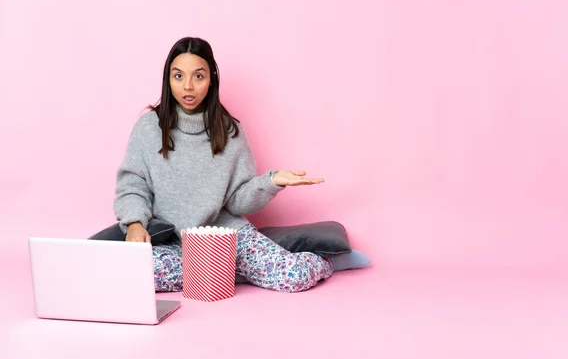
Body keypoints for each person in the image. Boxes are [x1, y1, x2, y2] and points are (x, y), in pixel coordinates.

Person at [92, 37, 370, 293]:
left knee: (293, 277)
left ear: (211, 79)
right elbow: (133, 185)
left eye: (198, 76)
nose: (188, 86)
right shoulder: (148, 127)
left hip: (226, 236)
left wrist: (271, 183)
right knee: (131, 274)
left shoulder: (230, 131)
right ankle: (235, 272)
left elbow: (238, 201)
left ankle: (330, 262)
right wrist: (135, 224)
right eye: (178, 76)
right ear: (168, 79)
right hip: (175, 244)